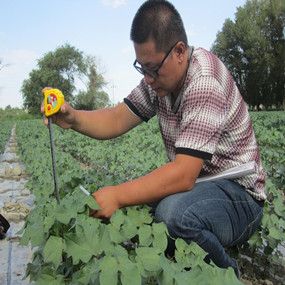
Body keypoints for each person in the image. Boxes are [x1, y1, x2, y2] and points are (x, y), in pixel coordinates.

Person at [41, 0, 266, 279]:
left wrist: (117, 195)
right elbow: (116, 118)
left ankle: (229, 276)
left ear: (180, 52)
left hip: (240, 197)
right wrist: (73, 119)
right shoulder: (160, 82)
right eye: (141, 68)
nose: (147, 79)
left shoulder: (204, 80)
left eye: (152, 68)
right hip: (202, 187)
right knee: (145, 210)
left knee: (173, 216)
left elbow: (183, 175)